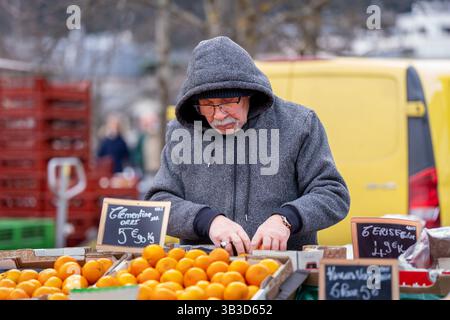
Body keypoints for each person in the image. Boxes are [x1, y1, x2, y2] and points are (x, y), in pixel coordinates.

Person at [145, 36, 350, 254]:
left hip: (285, 266)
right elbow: (159, 202)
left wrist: (286, 219)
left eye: (226, 103)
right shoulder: (181, 131)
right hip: (202, 272)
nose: (218, 115)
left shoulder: (300, 124)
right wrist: (207, 221)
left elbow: (332, 193)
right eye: (207, 105)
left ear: (249, 93)